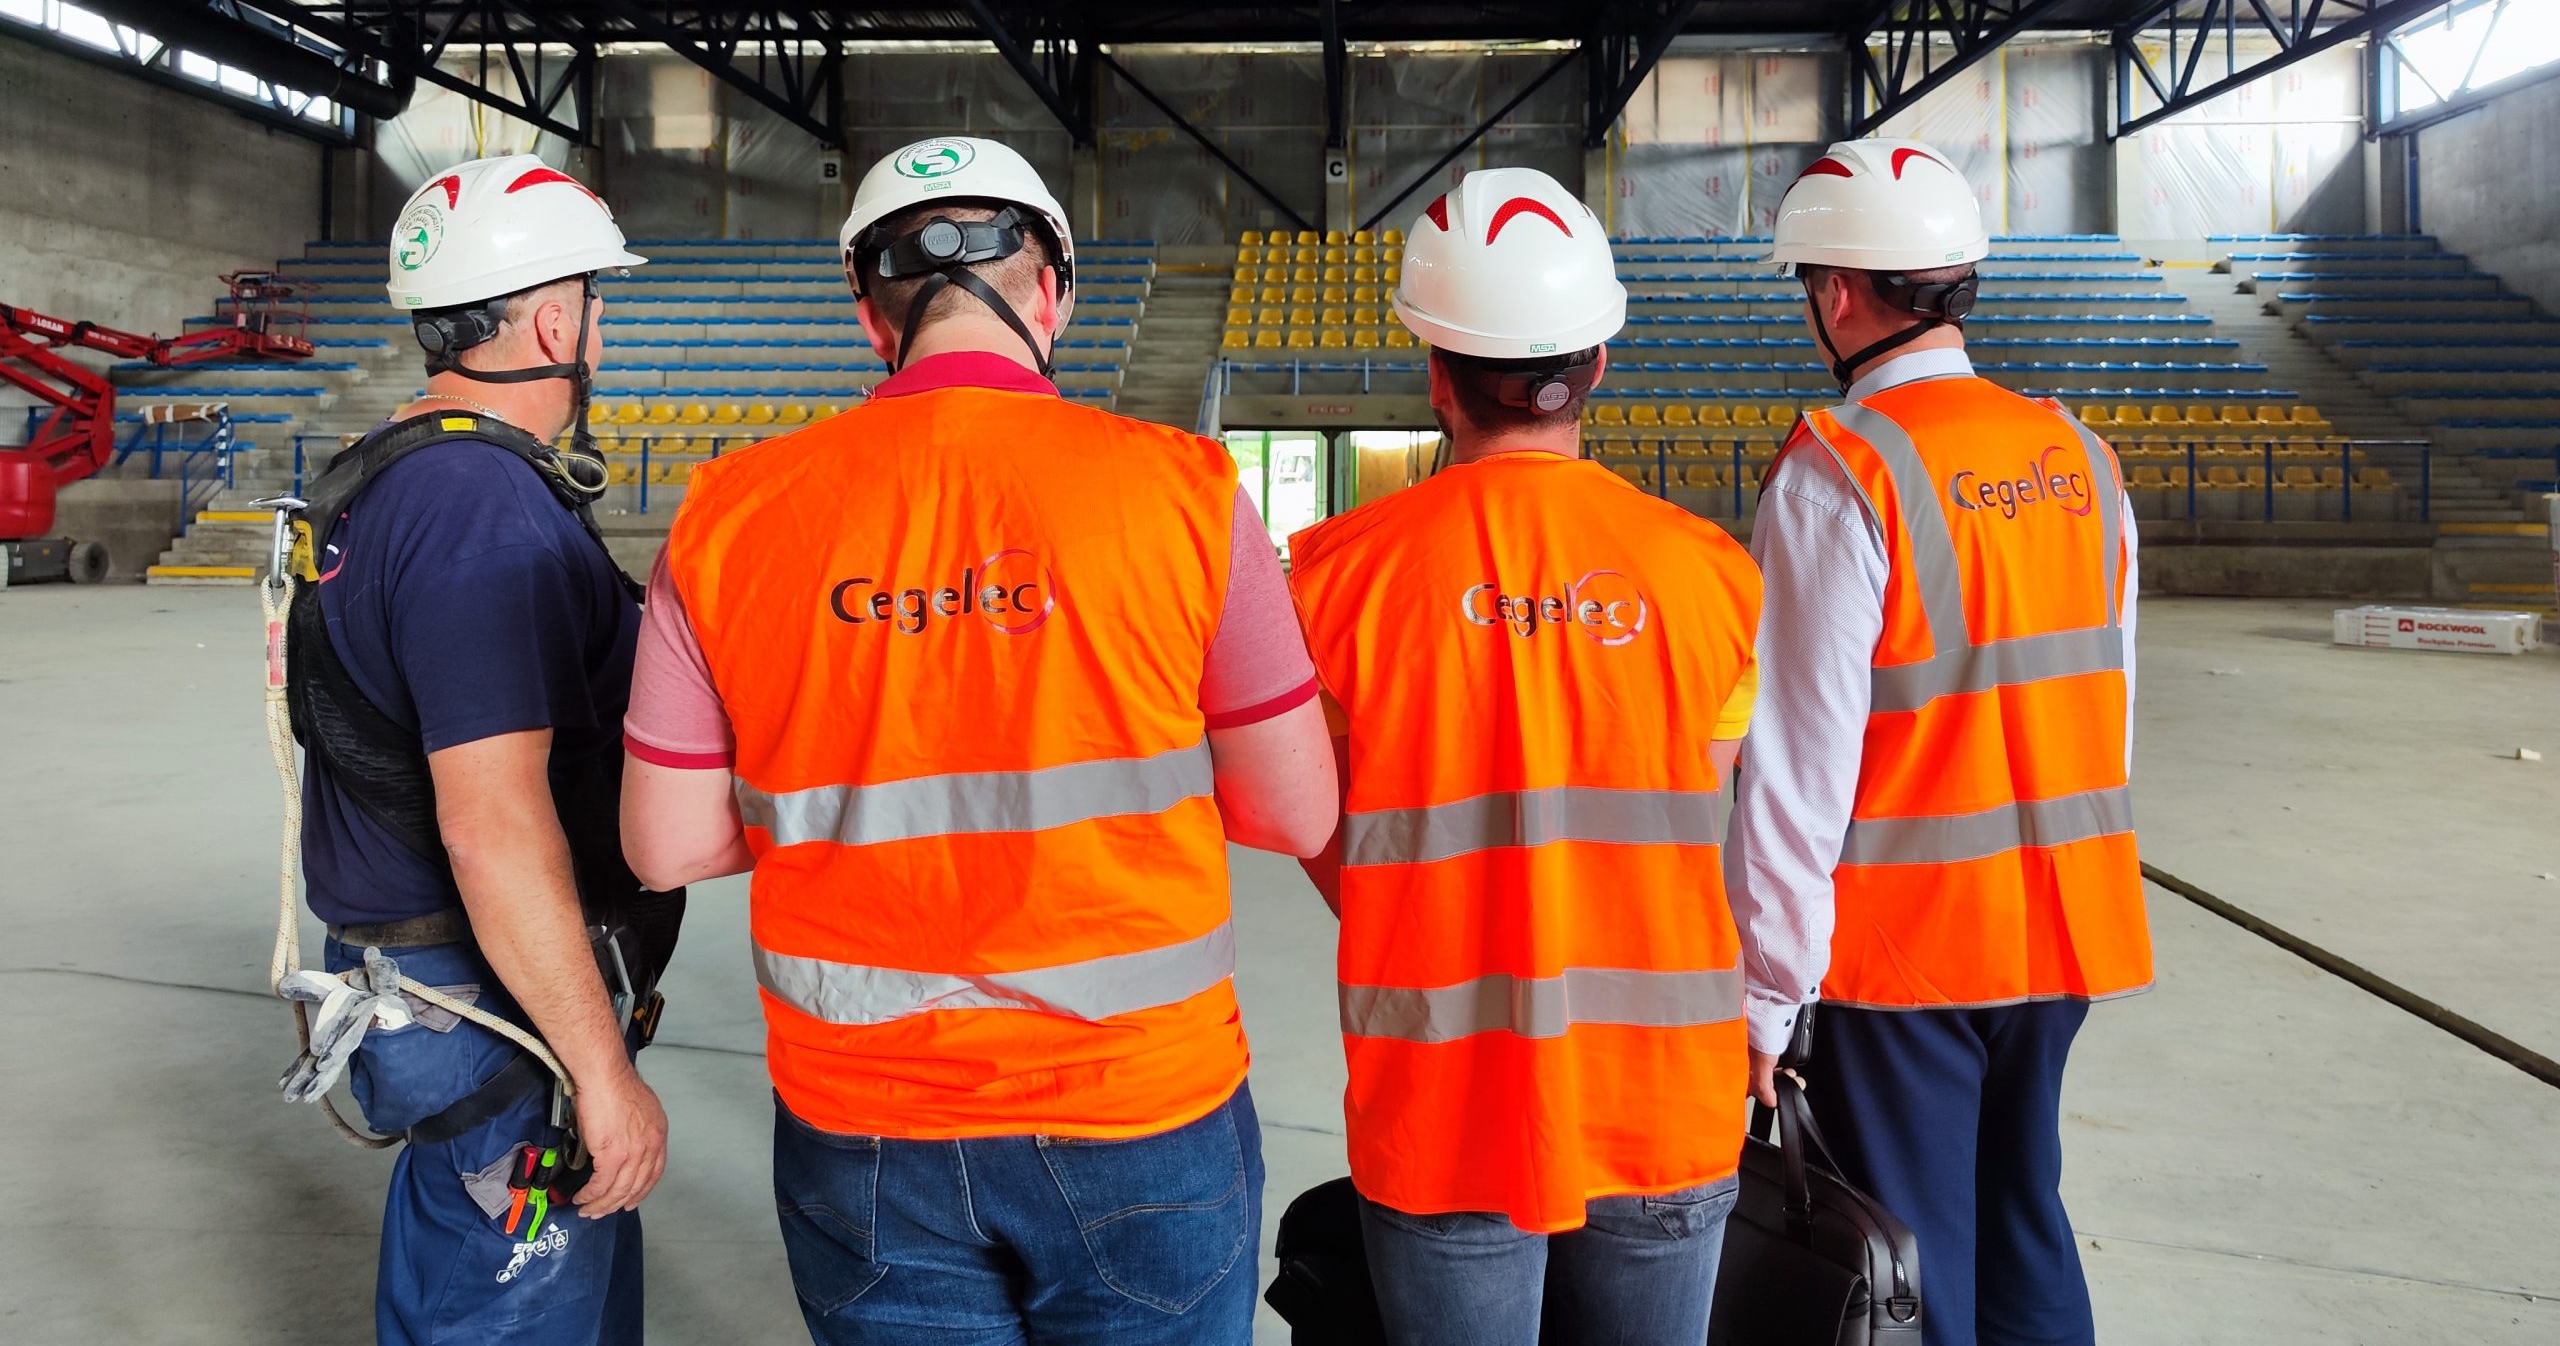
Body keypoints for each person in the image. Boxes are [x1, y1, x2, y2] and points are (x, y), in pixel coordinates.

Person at [615, 134, 1339, 1345]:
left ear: (868, 315)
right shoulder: (1186, 490)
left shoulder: (730, 513)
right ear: (1051, 288)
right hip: (1140, 1105)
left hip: (865, 1123)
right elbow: (1294, 813)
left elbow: (665, 844)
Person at [1286, 167, 1764, 1346]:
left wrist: (1413, 912)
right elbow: (1694, 807)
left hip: (1440, 1096)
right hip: (1661, 1085)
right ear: (1597, 363)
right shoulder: (1710, 571)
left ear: (1435, 373)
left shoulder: (1330, 575)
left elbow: (1312, 821)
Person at [1726, 137, 2152, 1346]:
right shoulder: (2081, 455)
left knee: (1909, 1268)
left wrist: (1766, 999)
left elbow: (1797, 773)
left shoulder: (1840, 474)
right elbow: (2104, 709)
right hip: (2065, 930)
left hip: (1907, 955)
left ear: (1838, 293)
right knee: (2023, 1226)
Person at [291, 155, 679, 1344]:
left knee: (477, 1274)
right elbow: (491, 818)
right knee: (509, 1305)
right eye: (596, 301)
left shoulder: (396, 476)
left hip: (443, 1007)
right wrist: (601, 1076)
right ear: (555, 319)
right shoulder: (475, 507)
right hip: (489, 1019)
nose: (599, 326)